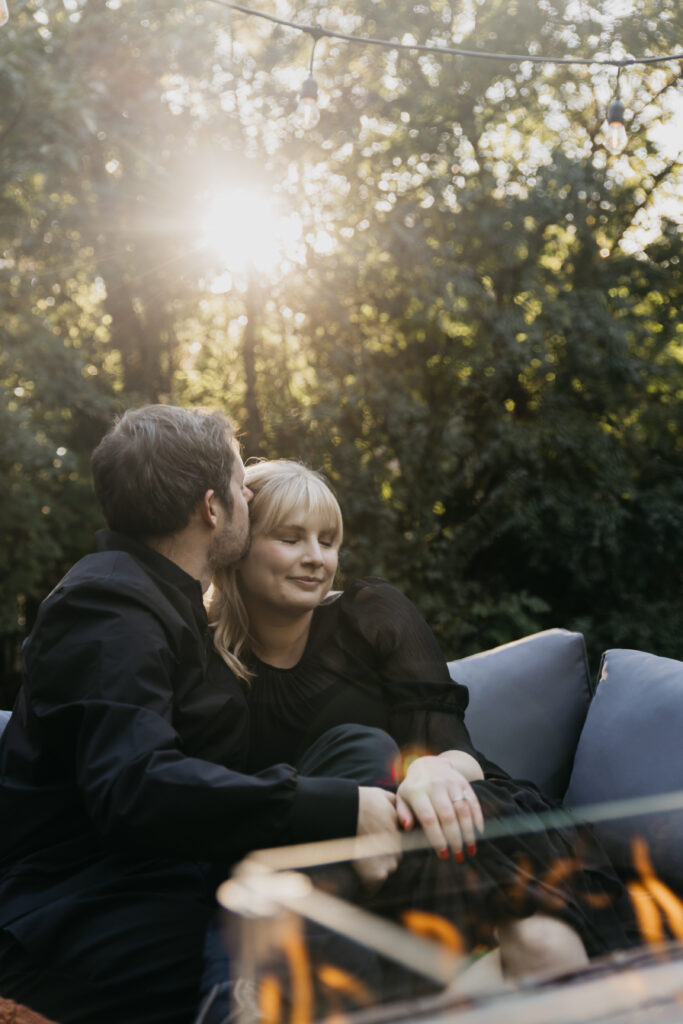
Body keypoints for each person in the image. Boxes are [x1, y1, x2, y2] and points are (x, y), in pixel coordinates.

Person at [0, 407, 398, 1024]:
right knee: (332, 942)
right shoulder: (108, 608)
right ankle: (237, 999)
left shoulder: (174, 602)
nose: (250, 494)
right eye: (243, 485)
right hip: (87, 906)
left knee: (357, 749)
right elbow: (134, 787)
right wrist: (338, 809)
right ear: (212, 508)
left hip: (182, 873)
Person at [209, 458, 638, 995]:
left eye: (328, 540)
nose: (316, 559)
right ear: (239, 544)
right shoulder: (205, 663)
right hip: (330, 866)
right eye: (291, 538)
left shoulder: (372, 616)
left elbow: (459, 751)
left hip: (442, 817)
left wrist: (431, 769)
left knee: (547, 949)